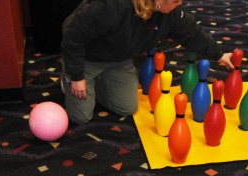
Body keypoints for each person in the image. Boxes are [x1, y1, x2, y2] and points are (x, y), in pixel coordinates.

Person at [61, 0, 234, 125]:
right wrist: (77, 76)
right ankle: (69, 77)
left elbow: (192, 33)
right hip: (88, 58)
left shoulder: (170, 12)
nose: (180, 3)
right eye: (175, 1)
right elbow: (72, 34)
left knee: (126, 108)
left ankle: (98, 84)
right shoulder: (112, 6)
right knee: (81, 117)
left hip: (120, 59)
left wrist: (218, 55)